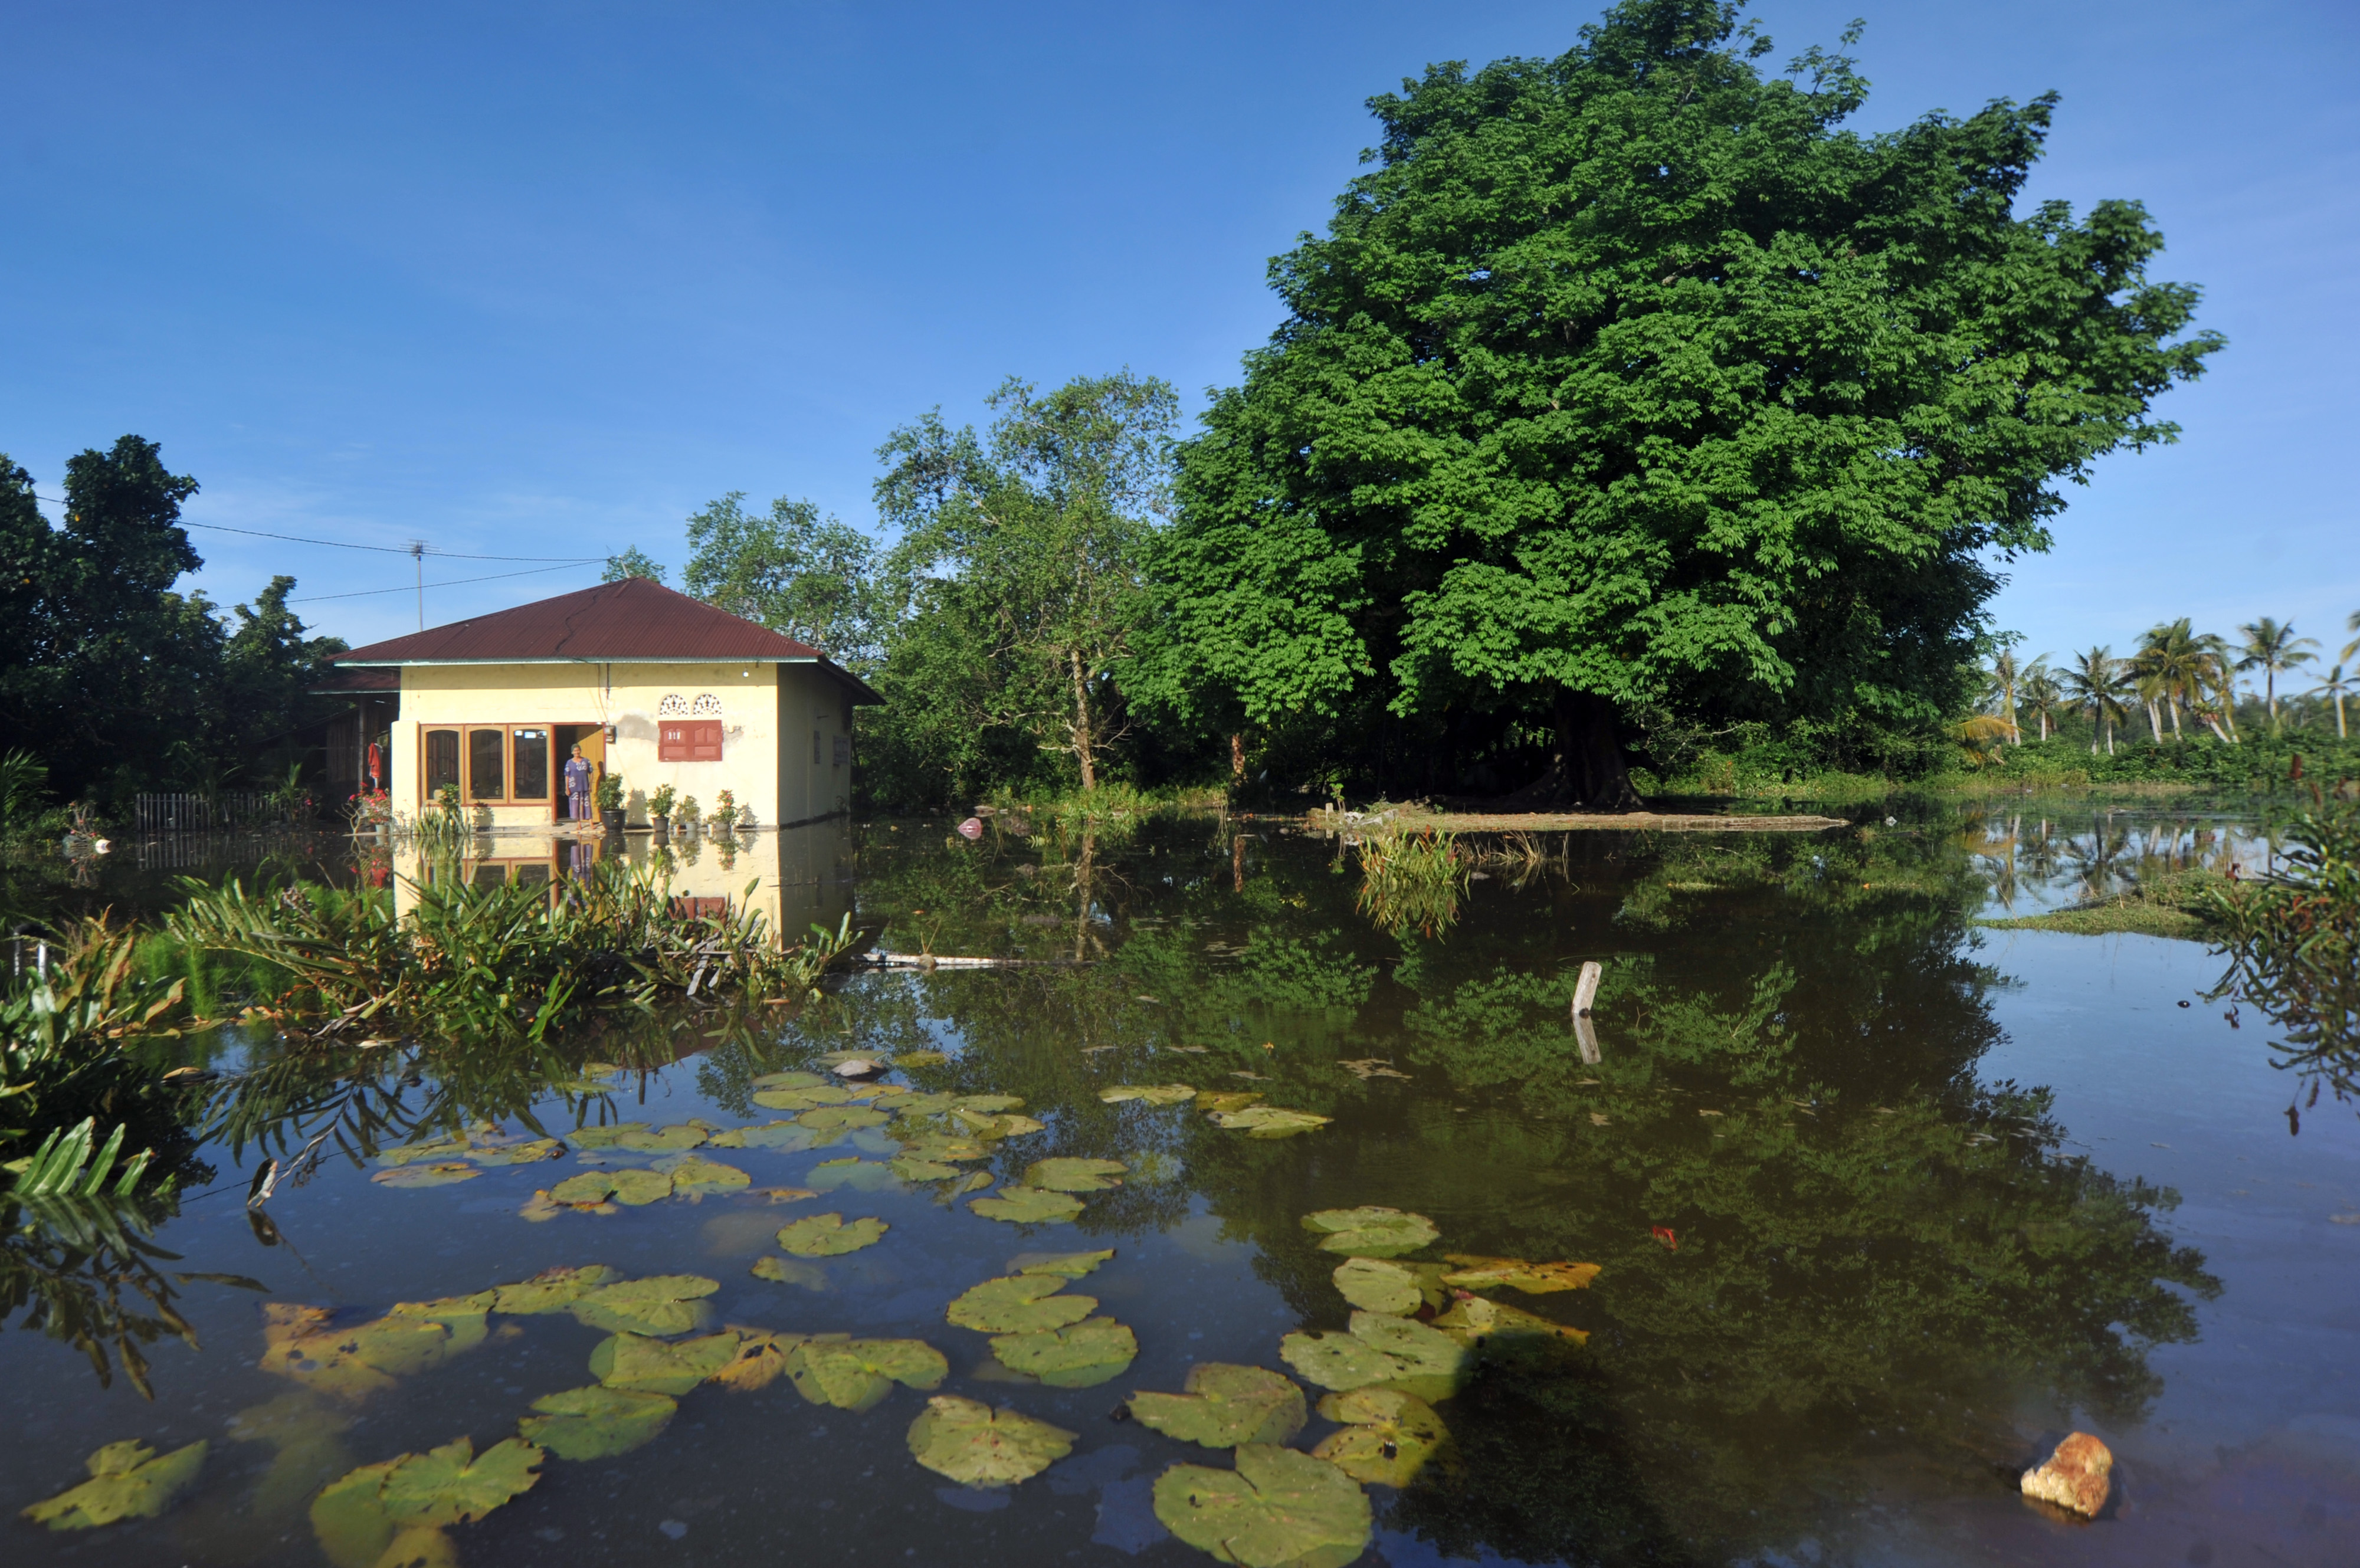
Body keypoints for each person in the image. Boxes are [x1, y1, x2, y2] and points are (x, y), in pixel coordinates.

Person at [564, 744, 594, 821]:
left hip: (584, 786)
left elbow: (591, 773)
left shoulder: (586, 761)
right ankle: (579, 823)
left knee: (587, 804)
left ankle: (591, 822)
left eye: (578, 750)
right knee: (576, 805)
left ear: (580, 751)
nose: (576, 752)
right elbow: (567, 775)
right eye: (575, 751)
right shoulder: (569, 763)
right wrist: (567, 788)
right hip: (574, 787)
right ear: (572, 752)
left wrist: (590, 785)